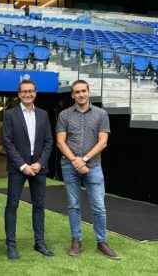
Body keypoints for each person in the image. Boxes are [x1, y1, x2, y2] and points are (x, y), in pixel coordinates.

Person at [55, 79, 121, 260]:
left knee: (99, 206)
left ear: (89, 92)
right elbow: (61, 142)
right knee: (74, 206)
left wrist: (83, 160)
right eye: (77, 92)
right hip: (69, 166)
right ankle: (76, 240)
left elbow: (103, 142)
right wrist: (75, 161)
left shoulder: (101, 114)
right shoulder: (64, 115)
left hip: (93, 166)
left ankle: (102, 242)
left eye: (83, 91)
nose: (81, 94)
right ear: (72, 95)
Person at [3, 78, 54, 260]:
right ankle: (10, 245)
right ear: (19, 94)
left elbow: (49, 141)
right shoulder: (10, 114)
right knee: (12, 205)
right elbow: (7, 142)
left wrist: (39, 163)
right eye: (24, 91)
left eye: (31, 91)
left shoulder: (43, 114)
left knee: (39, 206)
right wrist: (23, 165)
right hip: (18, 168)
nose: (27, 94)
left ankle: (39, 243)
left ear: (35, 93)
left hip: (39, 167)